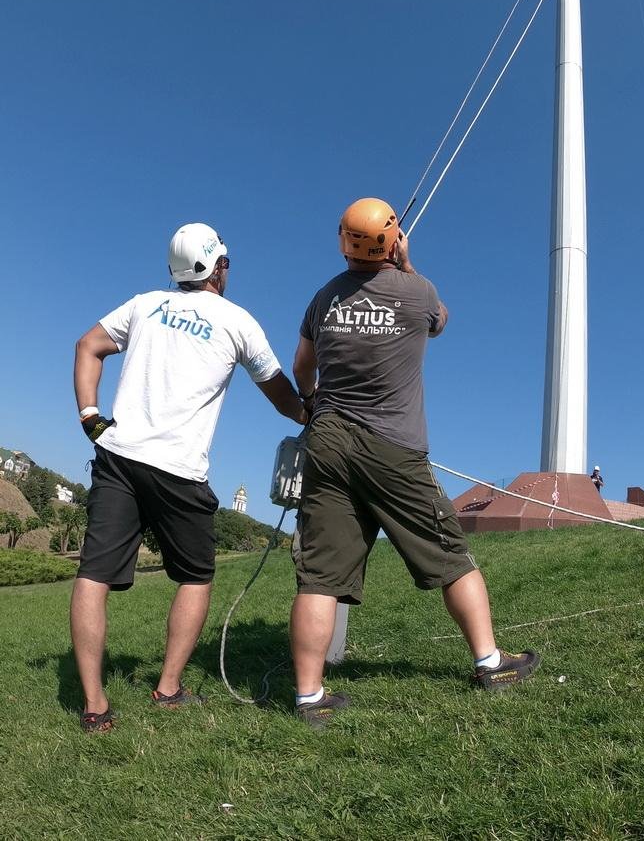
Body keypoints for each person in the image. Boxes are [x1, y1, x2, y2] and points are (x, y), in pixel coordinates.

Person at [289, 197, 539, 728]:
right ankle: (491, 664)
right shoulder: (417, 291)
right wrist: (407, 264)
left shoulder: (323, 299)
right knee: (449, 553)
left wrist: (310, 402)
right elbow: (439, 322)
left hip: (327, 440)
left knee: (320, 575)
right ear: (392, 239)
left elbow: (302, 366)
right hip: (393, 446)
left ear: (342, 239)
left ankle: (310, 697)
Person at [72, 223, 308, 733]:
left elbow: (87, 345)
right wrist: (313, 413)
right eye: (226, 262)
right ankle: (169, 688)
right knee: (196, 576)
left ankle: (94, 705)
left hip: (117, 456)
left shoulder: (143, 304)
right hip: (179, 470)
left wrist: (90, 415)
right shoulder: (237, 321)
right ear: (217, 267)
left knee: (93, 576)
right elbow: (280, 393)